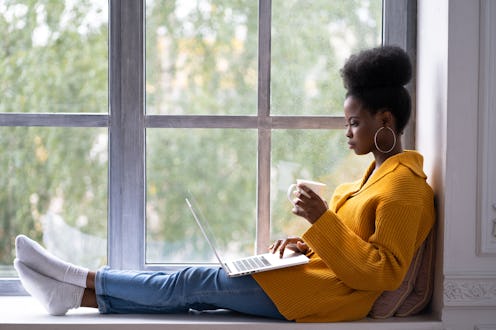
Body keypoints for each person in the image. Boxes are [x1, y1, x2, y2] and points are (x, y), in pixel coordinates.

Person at [14, 45, 435, 322]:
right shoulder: (372, 176)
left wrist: (321, 221)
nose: (347, 133)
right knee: (192, 288)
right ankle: (72, 296)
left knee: (192, 282)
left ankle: (76, 276)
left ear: (385, 120)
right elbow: (350, 244)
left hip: (322, 298)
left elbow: (384, 274)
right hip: (308, 278)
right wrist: (303, 244)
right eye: (347, 123)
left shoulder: (407, 187)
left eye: (354, 123)